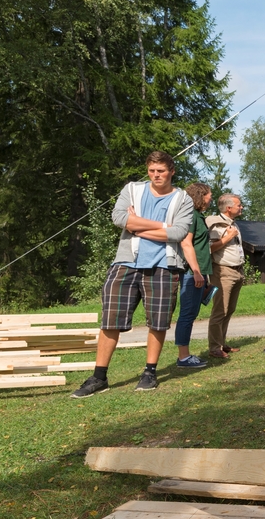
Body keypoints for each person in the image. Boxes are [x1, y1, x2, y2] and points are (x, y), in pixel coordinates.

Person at [71, 151, 194, 397]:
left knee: (157, 322)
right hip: (126, 262)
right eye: (151, 171)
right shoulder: (133, 189)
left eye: (161, 171)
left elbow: (178, 233)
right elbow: (119, 218)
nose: (156, 175)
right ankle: (99, 377)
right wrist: (160, 226)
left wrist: (138, 224)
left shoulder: (183, 199)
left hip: (164, 265)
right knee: (110, 320)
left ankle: (149, 372)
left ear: (171, 171)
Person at [174, 182, 213, 369]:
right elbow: (186, 243)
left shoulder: (199, 216)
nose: (210, 198)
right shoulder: (191, 216)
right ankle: (183, 357)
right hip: (191, 273)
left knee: (192, 312)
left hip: (199, 272)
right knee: (187, 314)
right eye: (208, 195)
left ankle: (185, 355)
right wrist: (196, 272)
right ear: (200, 195)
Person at [204, 193, 245, 360]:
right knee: (220, 310)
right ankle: (214, 347)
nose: (241, 207)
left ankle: (221, 342)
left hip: (237, 271)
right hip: (222, 272)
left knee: (229, 309)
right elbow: (209, 249)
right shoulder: (216, 224)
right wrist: (228, 237)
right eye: (239, 205)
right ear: (229, 208)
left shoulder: (232, 223)